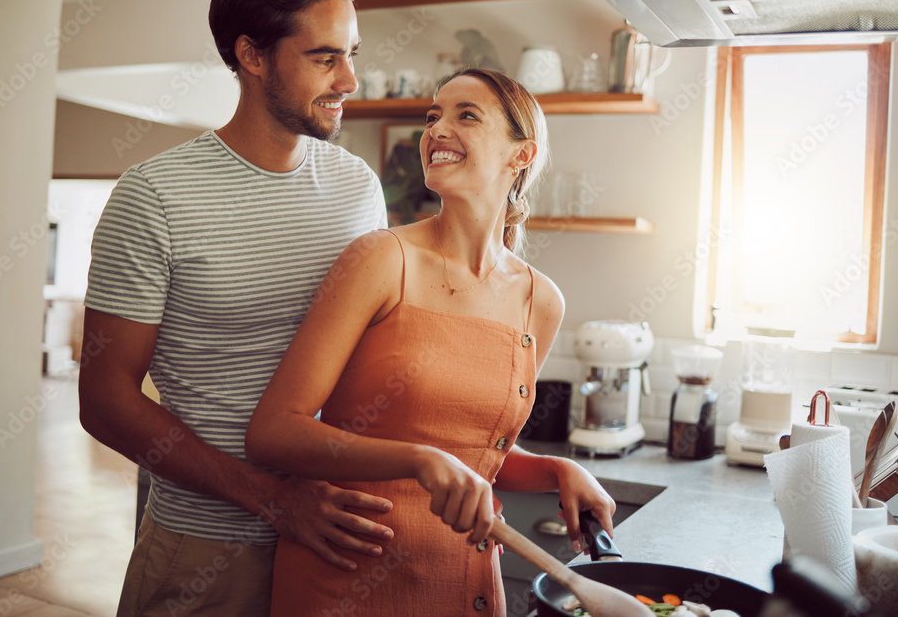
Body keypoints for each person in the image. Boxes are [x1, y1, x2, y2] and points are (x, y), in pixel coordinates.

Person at [78, 0, 396, 616]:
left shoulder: (357, 188)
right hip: (206, 552)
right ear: (251, 55)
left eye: (352, 54)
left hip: (334, 543)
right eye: (324, 57)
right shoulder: (155, 196)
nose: (350, 81)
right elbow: (104, 400)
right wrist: (274, 498)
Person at [246, 68, 628, 616]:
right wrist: (418, 459)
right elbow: (272, 432)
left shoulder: (539, 302)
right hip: (349, 575)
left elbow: (480, 454)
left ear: (521, 155)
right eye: (432, 116)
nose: (435, 129)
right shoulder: (381, 259)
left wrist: (558, 471)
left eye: (465, 115)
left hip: (464, 581)